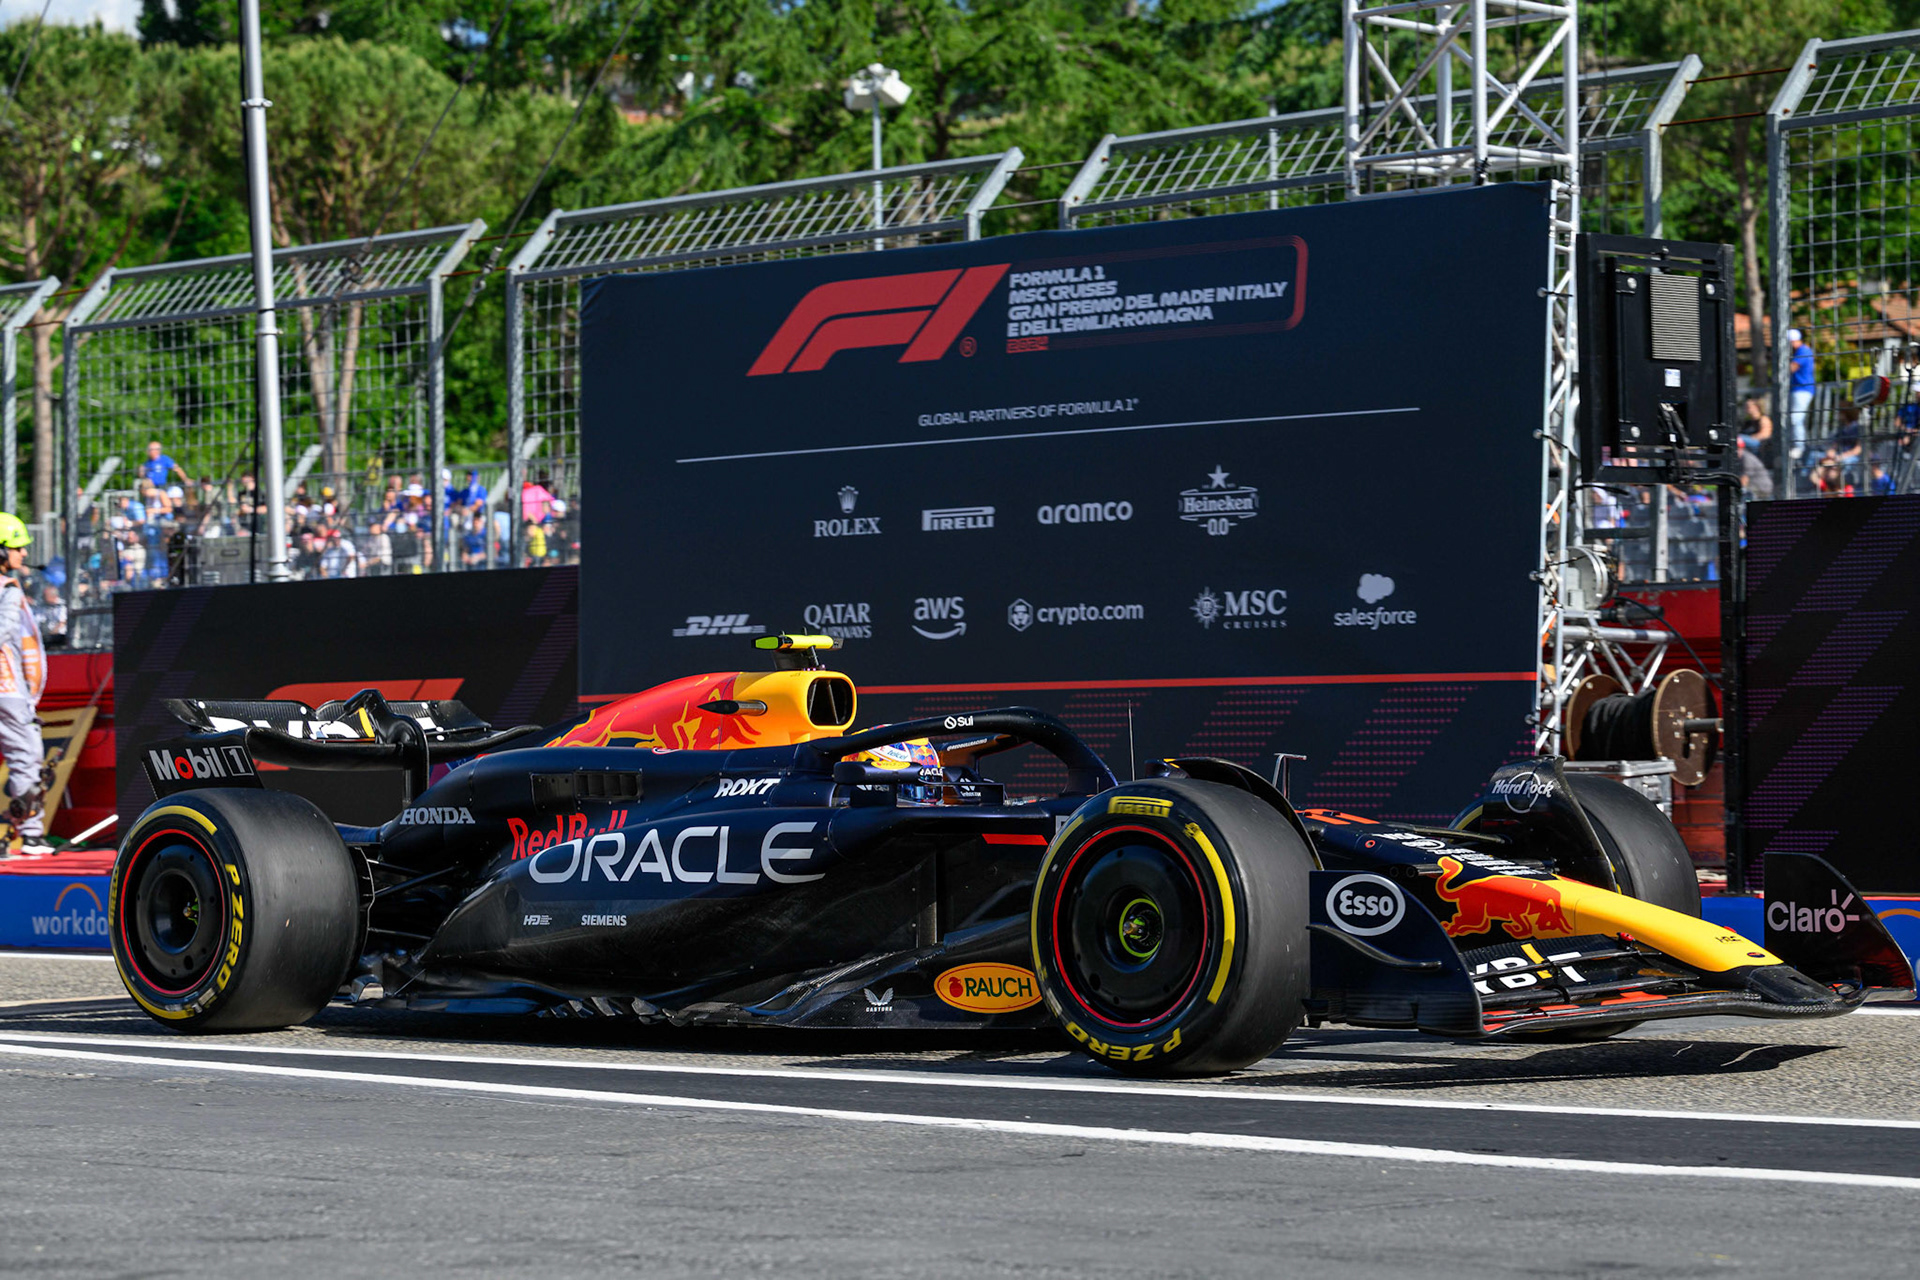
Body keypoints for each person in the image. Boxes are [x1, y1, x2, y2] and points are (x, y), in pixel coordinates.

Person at [0, 514, 48, 855]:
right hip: (7, 689)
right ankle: (29, 834)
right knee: (26, 755)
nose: (23, 553)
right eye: (16, 547)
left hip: (11, 691)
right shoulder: (9, 592)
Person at [1787, 328, 1815, 460]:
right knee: (1794, 419)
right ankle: (1796, 445)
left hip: (1802, 390)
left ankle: (1799, 447)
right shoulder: (1800, 351)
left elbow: (1791, 368)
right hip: (1797, 389)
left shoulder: (1803, 351)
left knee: (1796, 419)